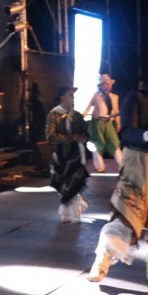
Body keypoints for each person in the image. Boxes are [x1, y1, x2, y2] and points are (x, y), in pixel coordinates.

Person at [87, 66, 148, 284]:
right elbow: (127, 131)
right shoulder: (135, 97)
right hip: (138, 161)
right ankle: (102, 261)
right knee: (125, 217)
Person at [46, 86, 89, 223]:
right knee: (63, 183)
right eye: (70, 95)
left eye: (72, 95)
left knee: (75, 181)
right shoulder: (54, 114)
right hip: (60, 154)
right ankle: (66, 211)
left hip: (75, 153)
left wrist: (84, 137)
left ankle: (75, 214)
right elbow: (50, 136)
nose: (72, 97)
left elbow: (86, 133)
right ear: (62, 97)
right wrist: (71, 138)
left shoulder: (77, 115)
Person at [82, 73, 123, 172]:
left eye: (109, 83)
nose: (108, 85)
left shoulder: (114, 97)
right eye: (105, 83)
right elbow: (88, 107)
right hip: (97, 122)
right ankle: (100, 167)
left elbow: (116, 111)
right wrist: (81, 117)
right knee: (97, 144)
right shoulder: (96, 96)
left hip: (109, 122)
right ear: (101, 85)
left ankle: (123, 165)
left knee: (114, 143)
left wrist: (118, 123)